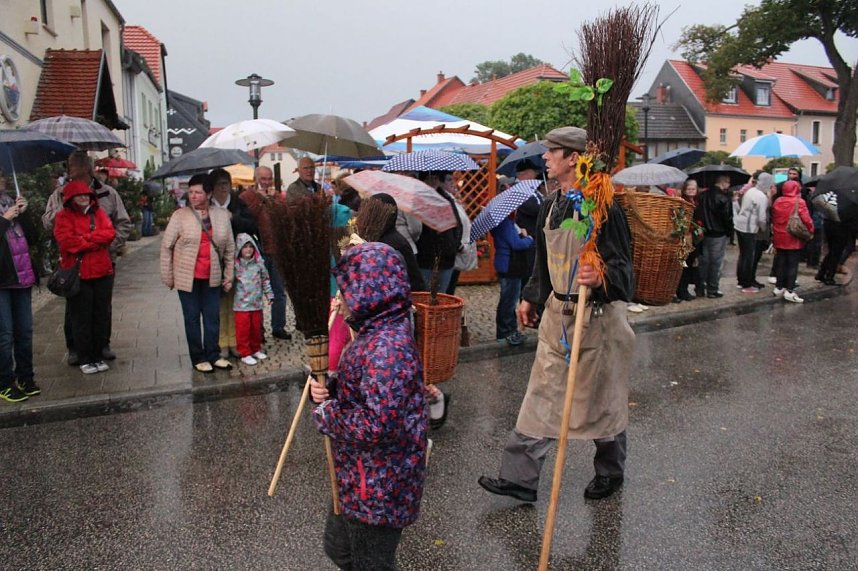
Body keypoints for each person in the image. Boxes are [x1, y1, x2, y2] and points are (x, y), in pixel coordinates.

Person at [478, 126, 636, 502]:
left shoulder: (604, 205)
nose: (545, 157)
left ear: (573, 159)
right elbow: (542, 262)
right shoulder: (550, 205)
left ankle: (610, 472)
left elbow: (626, 269)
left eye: (553, 152)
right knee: (541, 397)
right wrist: (532, 297)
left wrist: (602, 276)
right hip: (557, 315)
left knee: (600, 401)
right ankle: (520, 479)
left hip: (597, 318)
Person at [309, 242, 427, 570]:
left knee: (369, 563)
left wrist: (328, 414)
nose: (338, 299)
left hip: (378, 487)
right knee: (339, 549)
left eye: (344, 290)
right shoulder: (372, 334)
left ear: (368, 293)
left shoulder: (388, 349)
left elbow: (376, 424)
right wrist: (328, 392)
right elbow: (362, 394)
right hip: (358, 476)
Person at [42, 150, 132, 365]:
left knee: (102, 306)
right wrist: (62, 211)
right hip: (73, 264)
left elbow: (122, 224)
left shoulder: (108, 193)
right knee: (75, 307)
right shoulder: (59, 195)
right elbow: (48, 224)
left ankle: (102, 344)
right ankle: (75, 347)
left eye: (78, 167)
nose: (73, 172)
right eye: (71, 167)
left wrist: (109, 247)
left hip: (104, 260)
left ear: (89, 169)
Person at [160, 174, 235, 373]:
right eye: (191, 192)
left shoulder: (220, 215)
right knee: (192, 317)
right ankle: (198, 357)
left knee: (212, 317)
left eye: (198, 192)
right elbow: (166, 247)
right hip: (187, 277)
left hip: (212, 275)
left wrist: (228, 275)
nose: (193, 196)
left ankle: (213, 354)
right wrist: (167, 275)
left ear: (209, 194)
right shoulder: (180, 216)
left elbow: (229, 248)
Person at [53, 180, 116, 375]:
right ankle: (85, 358)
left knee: (100, 316)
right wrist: (94, 240)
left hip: (102, 272)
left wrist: (85, 239)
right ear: (70, 198)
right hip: (80, 275)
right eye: (78, 195)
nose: (83, 198)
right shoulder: (63, 217)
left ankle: (97, 356)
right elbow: (67, 242)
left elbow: (109, 234)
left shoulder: (98, 213)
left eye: (86, 195)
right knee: (81, 318)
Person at [239, 166, 292, 341]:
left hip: (276, 249)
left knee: (279, 291)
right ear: (256, 179)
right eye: (263, 179)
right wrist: (261, 200)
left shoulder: (277, 196)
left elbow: (285, 217)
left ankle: (278, 326)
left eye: (269, 178)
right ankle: (258, 331)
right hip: (256, 250)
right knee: (255, 292)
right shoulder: (247, 196)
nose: (267, 182)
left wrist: (273, 200)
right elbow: (247, 218)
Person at [0, 178, 39, 402]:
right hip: (2, 280)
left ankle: (26, 377)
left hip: (22, 276)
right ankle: (5, 382)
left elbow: (33, 238)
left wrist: (24, 213)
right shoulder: (6, 213)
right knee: (4, 335)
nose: (2, 178)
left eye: (3, 174)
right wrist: (5, 220)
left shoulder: (12, 202)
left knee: (24, 331)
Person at [415, 171, 463, 293]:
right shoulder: (418, 199)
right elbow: (416, 228)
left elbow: (457, 225)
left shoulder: (446, 198)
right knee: (425, 295)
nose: (433, 181)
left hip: (446, 256)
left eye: (435, 178)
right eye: (429, 178)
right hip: (425, 256)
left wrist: (454, 245)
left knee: (442, 295)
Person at [491, 212, 534, 345]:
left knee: (510, 299)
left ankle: (510, 330)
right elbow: (516, 244)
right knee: (508, 301)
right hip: (509, 266)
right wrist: (529, 238)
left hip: (513, 266)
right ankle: (505, 333)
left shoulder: (508, 223)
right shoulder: (504, 224)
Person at [232, 233, 273, 366]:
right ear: (239, 249)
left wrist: (269, 295)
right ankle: (245, 352)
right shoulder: (236, 266)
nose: (248, 250)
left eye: (250, 247)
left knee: (256, 328)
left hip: (256, 304)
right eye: (245, 247)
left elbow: (265, 279)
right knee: (243, 330)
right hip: (241, 306)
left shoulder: (259, 264)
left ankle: (256, 348)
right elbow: (229, 280)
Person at [771, 180, 813, 303]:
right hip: (793, 237)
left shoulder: (777, 201)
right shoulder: (799, 202)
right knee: (792, 264)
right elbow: (806, 219)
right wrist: (810, 230)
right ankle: (790, 290)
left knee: (781, 261)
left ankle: (779, 286)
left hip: (779, 236)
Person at [695, 175, 733, 298]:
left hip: (702, 232)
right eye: (728, 183)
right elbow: (727, 217)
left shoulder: (702, 196)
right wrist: (729, 232)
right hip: (718, 233)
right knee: (715, 262)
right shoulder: (724, 197)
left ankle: (700, 287)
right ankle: (712, 289)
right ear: (724, 183)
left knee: (703, 261)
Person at [734, 172, 771, 293]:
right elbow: (761, 218)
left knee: (743, 255)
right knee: (749, 256)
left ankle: (741, 281)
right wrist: (764, 229)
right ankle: (747, 284)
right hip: (749, 228)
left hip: (740, 225)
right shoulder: (761, 196)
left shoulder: (750, 191)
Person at [676, 179, 702, 300]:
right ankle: (682, 291)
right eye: (689, 188)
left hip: (694, 238)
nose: (691, 190)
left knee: (690, 265)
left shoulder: (696, 202)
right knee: (684, 266)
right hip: (685, 238)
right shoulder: (683, 202)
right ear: (684, 189)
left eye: (693, 189)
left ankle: (684, 290)